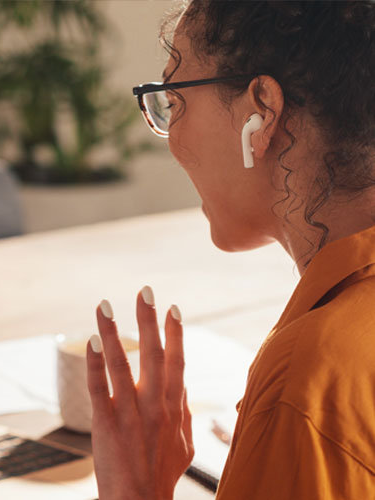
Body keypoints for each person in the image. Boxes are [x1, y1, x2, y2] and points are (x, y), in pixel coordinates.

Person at [87, 2, 375, 499]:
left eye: (174, 101)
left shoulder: (308, 382)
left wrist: (136, 493)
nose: (171, 139)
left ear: (260, 111)